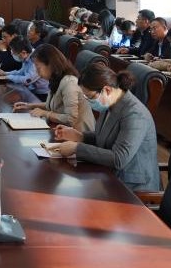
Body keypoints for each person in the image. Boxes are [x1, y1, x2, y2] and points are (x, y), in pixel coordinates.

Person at [48, 64, 160, 192]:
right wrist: (80, 136)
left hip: (132, 186)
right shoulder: (110, 102)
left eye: (90, 97)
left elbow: (119, 159)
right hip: (110, 174)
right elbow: (104, 137)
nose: (89, 101)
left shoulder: (134, 114)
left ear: (106, 90)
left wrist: (76, 148)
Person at [12, 44, 89, 129]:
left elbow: (71, 119)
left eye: (38, 67)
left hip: (79, 133)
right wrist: (29, 106)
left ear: (50, 65)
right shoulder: (55, 79)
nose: (37, 72)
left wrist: (45, 113)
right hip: (63, 129)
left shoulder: (69, 83)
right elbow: (53, 105)